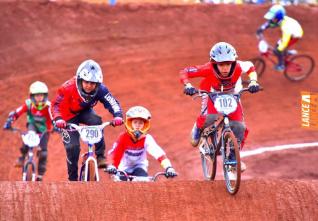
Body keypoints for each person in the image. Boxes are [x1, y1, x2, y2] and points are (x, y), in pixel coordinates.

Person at [180, 42, 260, 172]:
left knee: (240, 127)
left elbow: (251, 67)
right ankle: (198, 128)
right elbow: (185, 71)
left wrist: (253, 81)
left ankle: (233, 158)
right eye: (221, 64)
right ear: (214, 63)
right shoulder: (207, 68)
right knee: (210, 117)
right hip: (211, 94)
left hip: (232, 96)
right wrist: (187, 85)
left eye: (228, 64)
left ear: (233, 62)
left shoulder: (239, 66)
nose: (225, 68)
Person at [51, 59, 124, 181]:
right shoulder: (67, 88)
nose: (89, 86)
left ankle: (100, 157)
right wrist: (58, 119)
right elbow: (55, 105)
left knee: (97, 121)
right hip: (66, 116)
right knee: (72, 147)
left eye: (93, 83)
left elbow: (112, 102)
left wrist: (118, 116)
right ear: (80, 80)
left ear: (98, 84)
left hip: (84, 112)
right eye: (86, 82)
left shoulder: (101, 89)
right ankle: (72, 180)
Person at [105, 106, 177, 179]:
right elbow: (114, 153)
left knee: (144, 183)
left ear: (145, 125)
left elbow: (159, 154)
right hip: (123, 169)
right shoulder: (123, 137)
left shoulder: (147, 139)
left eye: (141, 123)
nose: (137, 125)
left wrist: (168, 167)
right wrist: (112, 166)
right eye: (135, 122)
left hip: (139, 167)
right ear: (130, 123)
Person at [3, 81, 52, 181]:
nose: (39, 98)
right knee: (28, 136)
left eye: (41, 95)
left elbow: (55, 116)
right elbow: (17, 112)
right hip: (32, 126)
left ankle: (40, 176)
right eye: (37, 95)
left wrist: (56, 125)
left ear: (45, 96)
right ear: (32, 96)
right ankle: (22, 156)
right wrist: (10, 121)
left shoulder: (48, 106)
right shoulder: (29, 104)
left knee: (43, 153)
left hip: (45, 130)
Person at [256, 4, 303, 71]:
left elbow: (285, 41)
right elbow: (271, 23)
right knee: (278, 47)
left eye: (273, 18)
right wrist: (262, 28)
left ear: (278, 18)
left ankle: (281, 65)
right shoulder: (280, 20)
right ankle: (286, 52)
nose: (272, 20)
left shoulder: (286, 28)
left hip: (294, 35)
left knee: (278, 49)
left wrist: (279, 49)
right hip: (292, 30)